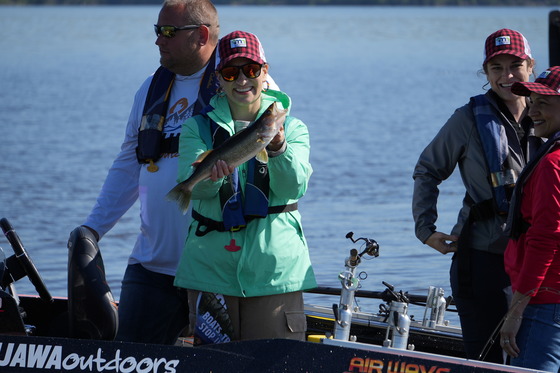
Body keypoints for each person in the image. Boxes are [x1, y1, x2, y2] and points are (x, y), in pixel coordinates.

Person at [75, 0, 220, 344]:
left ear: (201, 35)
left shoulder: (240, 83)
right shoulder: (150, 90)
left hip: (219, 272)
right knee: (126, 359)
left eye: (168, 32)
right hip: (151, 266)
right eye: (157, 31)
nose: (158, 40)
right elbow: (129, 163)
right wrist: (93, 229)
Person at [172, 30, 317, 342]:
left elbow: (295, 187)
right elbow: (195, 190)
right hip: (210, 274)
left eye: (251, 70)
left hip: (275, 276)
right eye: (230, 72)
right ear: (218, 79)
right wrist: (214, 177)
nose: (242, 81)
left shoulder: (292, 127)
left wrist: (279, 148)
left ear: (265, 72)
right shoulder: (196, 128)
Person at [412, 29, 542, 363]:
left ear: (531, 65)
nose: (507, 75)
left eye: (515, 65)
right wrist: (425, 229)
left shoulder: (547, 116)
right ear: (485, 73)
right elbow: (427, 170)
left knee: (533, 358)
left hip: (537, 261)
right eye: (496, 68)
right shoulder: (468, 119)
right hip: (483, 259)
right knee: (487, 360)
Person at [499, 66, 560, 372]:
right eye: (532, 101)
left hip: (545, 302)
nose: (533, 111)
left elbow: (546, 237)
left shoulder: (552, 164)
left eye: (544, 103)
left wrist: (516, 310)